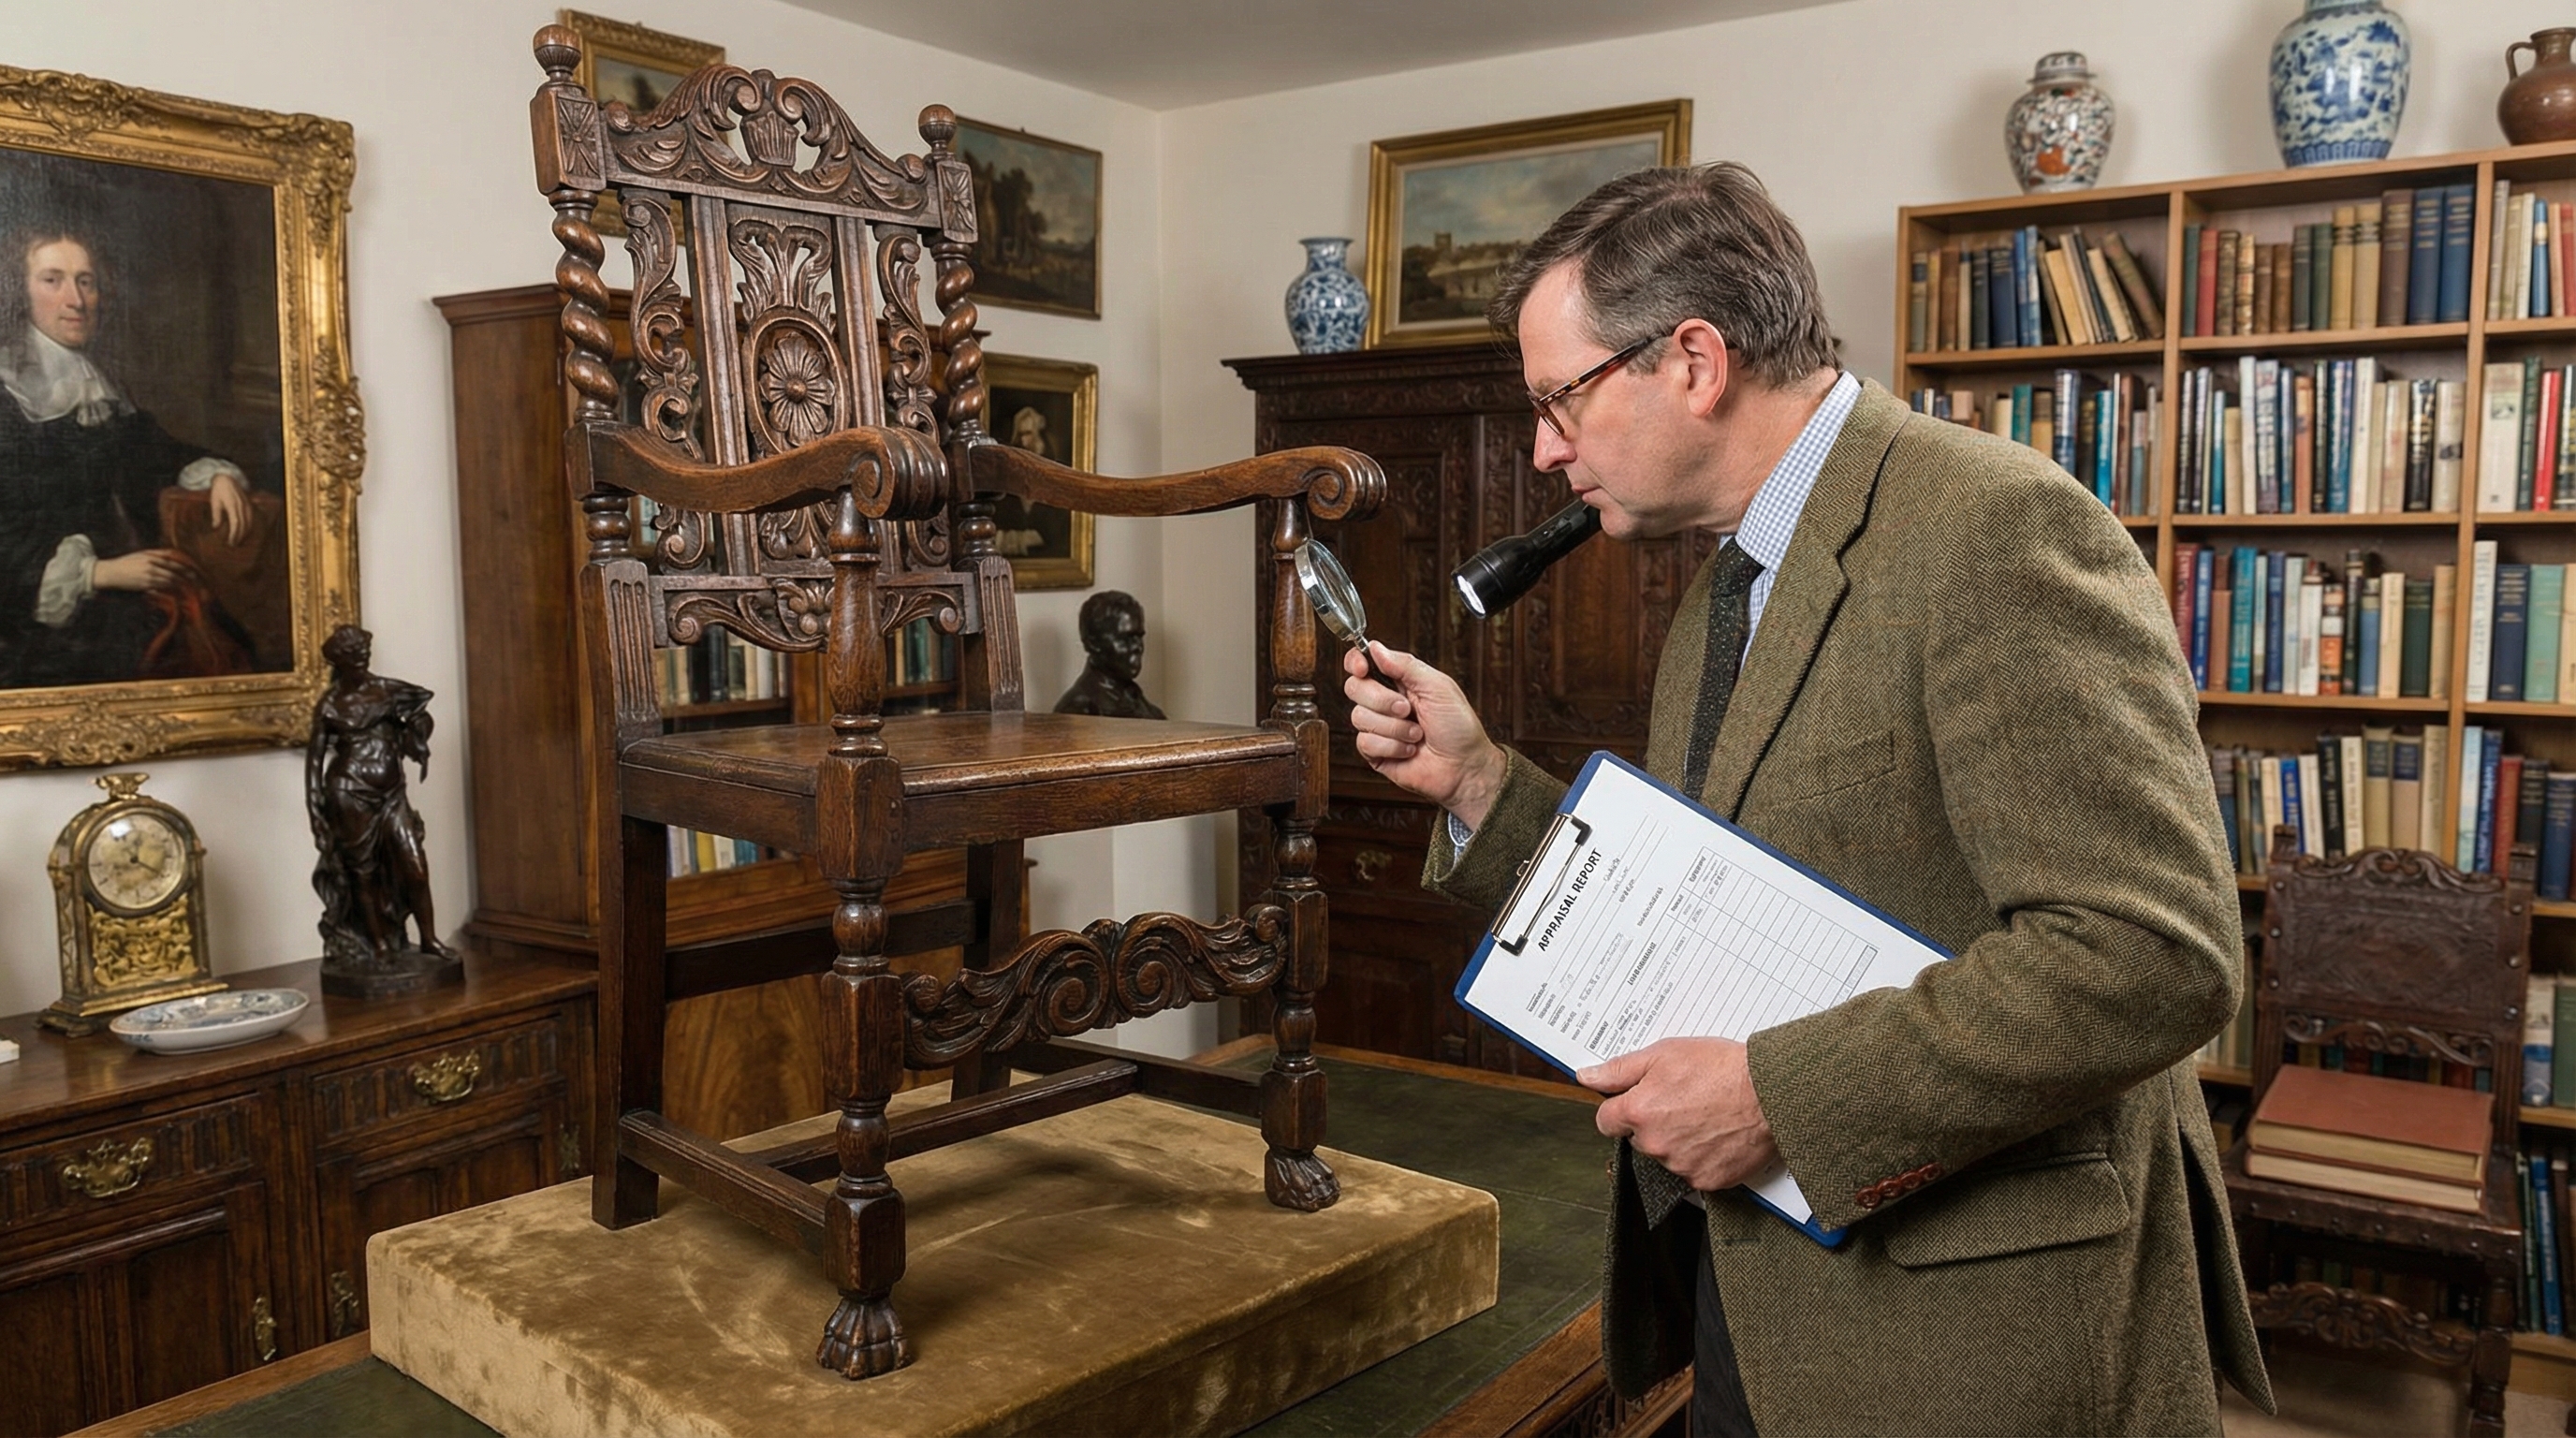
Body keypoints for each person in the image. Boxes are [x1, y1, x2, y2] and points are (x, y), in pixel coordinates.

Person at [1339, 164, 2271, 1436]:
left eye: (1559, 399)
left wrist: (1775, 1100)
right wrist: (1480, 781)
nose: (1547, 448)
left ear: (1695, 361)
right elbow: (1698, 907)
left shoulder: (1996, 530)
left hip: (1965, 1337)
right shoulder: (1723, 590)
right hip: (1755, 1285)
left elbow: (2153, 955)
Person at [0, 228, 264, 688]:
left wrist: (217, 475)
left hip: (114, 593)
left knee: (221, 644)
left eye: (86, 282)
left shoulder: (94, 385)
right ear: (20, 292)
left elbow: (156, 452)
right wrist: (98, 573)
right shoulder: (9, 394)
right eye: (52, 280)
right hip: (28, 615)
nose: (76, 300)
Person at [308, 624, 453, 969]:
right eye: (353, 653)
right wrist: (315, 813)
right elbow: (314, 761)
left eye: (364, 651)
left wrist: (417, 730)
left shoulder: (388, 690)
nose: (361, 657)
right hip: (349, 792)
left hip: (392, 793)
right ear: (339, 660)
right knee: (364, 872)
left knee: (415, 867)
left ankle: (429, 938)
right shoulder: (330, 705)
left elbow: (419, 719)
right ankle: (379, 945)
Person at [1051, 589, 1164, 719]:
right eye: (1125, 639)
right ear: (1093, 644)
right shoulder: (1078, 710)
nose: (1137, 646)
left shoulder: (1144, 705)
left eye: (1139, 637)